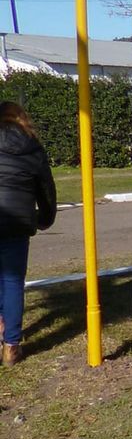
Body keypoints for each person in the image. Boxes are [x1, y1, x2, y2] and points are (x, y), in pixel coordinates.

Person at [0, 102, 56, 365]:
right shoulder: (32, 145)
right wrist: (45, 217)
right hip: (18, 222)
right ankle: (11, 345)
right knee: (12, 282)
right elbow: (45, 186)